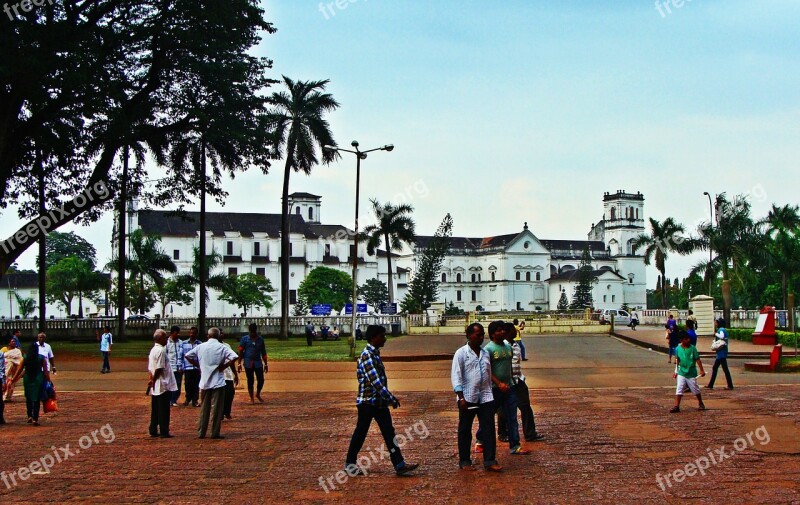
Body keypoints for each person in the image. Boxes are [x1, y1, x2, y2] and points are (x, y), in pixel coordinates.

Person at [345, 325, 418, 476]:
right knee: (360, 433)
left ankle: (399, 464)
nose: (385, 338)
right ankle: (350, 464)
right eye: (382, 336)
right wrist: (391, 399)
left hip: (378, 402)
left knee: (389, 433)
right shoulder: (368, 356)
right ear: (374, 338)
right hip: (367, 403)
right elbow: (376, 382)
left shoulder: (374, 354)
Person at [452, 323, 502, 472]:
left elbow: (487, 373)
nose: (481, 338)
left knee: (488, 429)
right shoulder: (461, 354)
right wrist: (460, 397)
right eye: (478, 335)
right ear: (468, 335)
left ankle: (490, 460)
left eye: (482, 335)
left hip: (485, 396)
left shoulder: (485, 353)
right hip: (467, 397)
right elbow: (456, 376)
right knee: (465, 429)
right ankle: (465, 461)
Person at [477, 321, 530, 456]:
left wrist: (512, 381)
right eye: (498, 331)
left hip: (509, 387)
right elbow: (486, 370)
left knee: (512, 417)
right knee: (488, 417)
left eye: (502, 330)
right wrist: (499, 383)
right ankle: (480, 439)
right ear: (492, 334)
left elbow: (510, 367)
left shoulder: (508, 347)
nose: (502, 333)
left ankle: (515, 445)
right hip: (494, 389)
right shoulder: (488, 349)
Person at [184, 327, 239, 439]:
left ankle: (201, 431)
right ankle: (214, 432)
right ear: (218, 336)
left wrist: (198, 365)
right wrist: (224, 366)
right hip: (218, 381)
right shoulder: (222, 347)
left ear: (208, 336)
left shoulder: (201, 346)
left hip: (204, 381)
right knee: (217, 409)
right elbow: (234, 356)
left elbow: (187, 356)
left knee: (204, 407)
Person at [497, 323, 544, 442]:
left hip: (518, 380)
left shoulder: (516, 345)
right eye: (513, 330)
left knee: (526, 407)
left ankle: (530, 434)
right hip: (506, 382)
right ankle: (503, 433)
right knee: (503, 409)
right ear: (507, 332)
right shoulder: (503, 346)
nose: (515, 331)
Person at [147, 329, 178, 438]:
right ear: (159, 339)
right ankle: (164, 430)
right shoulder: (161, 351)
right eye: (165, 337)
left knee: (155, 408)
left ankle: (153, 428)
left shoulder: (153, 350)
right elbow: (159, 368)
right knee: (164, 409)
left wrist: (151, 379)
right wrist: (154, 380)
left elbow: (151, 368)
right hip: (162, 383)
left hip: (156, 384)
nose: (166, 339)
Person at [12, 342, 50, 426]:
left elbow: (19, 370)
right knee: (36, 399)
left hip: (28, 379)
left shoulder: (25, 358)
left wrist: (13, 379)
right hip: (38, 379)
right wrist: (49, 381)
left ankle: (29, 416)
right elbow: (46, 372)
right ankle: (35, 419)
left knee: (28, 398)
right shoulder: (41, 358)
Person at [669, 331, 706, 413]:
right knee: (679, 388)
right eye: (686, 339)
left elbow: (698, 359)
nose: (688, 340)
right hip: (681, 372)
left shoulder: (693, 348)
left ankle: (700, 402)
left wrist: (701, 370)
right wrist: (676, 371)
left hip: (691, 372)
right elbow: (677, 360)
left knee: (695, 389)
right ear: (682, 340)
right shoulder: (678, 349)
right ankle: (676, 406)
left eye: (688, 339)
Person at [237, 323, 268, 404]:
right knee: (250, 380)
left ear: (256, 331)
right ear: (249, 331)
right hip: (248, 363)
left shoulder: (260, 339)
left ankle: (257, 394)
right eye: (251, 332)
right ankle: (251, 398)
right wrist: (239, 363)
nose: (253, 334)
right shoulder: (244, 339)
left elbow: (263, 352)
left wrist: (266, 364)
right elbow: (240, 351)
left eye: (254, 332)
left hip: (258, 362)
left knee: (261, 380)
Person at [706, 318, 734, 390]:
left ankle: (729, 385)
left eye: (716, 322)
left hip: (721, 353)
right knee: (719, 368)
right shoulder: (723, 329)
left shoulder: (721, 330)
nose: (715, 323)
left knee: (720, 368)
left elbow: (721, 336)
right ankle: (711, 384)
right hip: (721, 353)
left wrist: (715, 334)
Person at [219, 330, 239, 420]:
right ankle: (220, 413)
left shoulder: (227, 346)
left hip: (227, 374)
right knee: (219, 395)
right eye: (220, 333)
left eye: (222, 333)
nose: (222, 334)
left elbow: (232, 361)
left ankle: (227, 411)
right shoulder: (212, 347)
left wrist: (235, 374)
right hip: (218, 375)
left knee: (230, 393)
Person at [181, 327, 201, 407]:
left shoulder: (200, 344)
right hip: (187, 367)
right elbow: (181, 355)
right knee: (188, 384)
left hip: (196, 367)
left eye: (193, 333)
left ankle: (195, 400)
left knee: (196, 384)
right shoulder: (184, 343)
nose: (192, 334)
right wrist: (181, 366)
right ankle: (187, 398)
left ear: (196, 334)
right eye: (190, 333)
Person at [166, 326, 184, 407]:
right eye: (176, 333)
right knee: (170, 384)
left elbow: (183, 355)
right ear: (172, 333)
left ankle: (174, 399)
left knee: (178, 384)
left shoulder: (180, 343)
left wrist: (181, 366)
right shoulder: (167, 343)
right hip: (170, 367)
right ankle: (170, 400)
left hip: (179, 368)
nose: (178, 334)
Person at [3, 337, 24, 401]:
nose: (14, 343)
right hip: (6, 369)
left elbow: (20, 360)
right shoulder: (4, 350)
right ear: (9, 343)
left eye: (15, 341)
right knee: (6, 382)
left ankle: (8, 397)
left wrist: (11, 360)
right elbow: (2, 358)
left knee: (11, 382)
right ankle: (4, 397)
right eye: (12, 341)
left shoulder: (17, 351)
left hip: (15, 369)